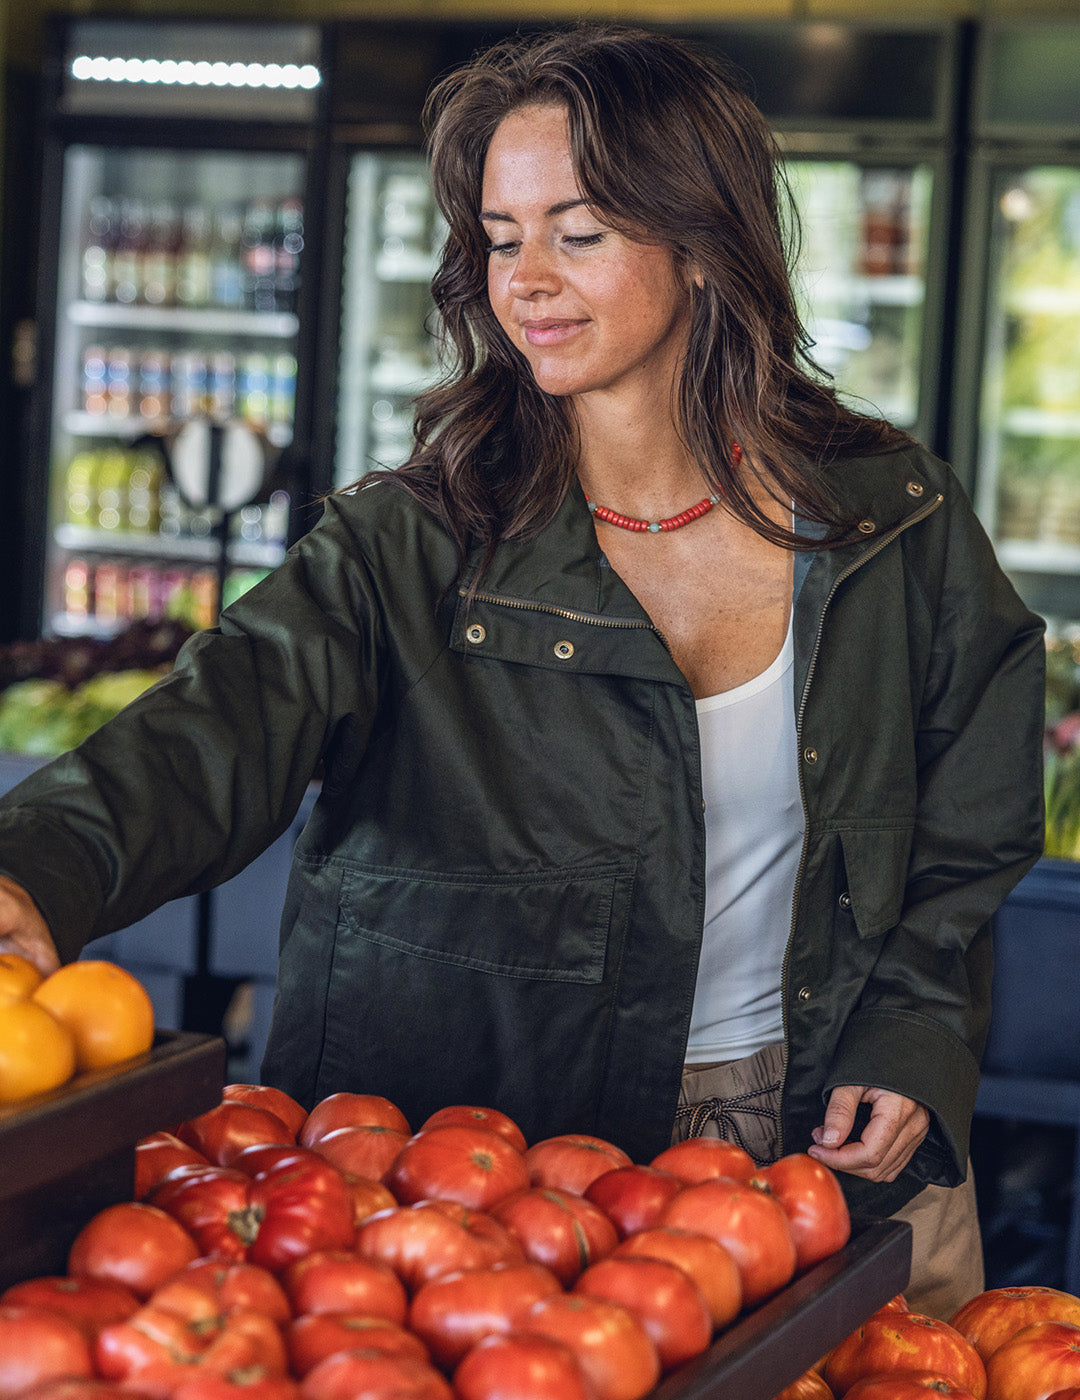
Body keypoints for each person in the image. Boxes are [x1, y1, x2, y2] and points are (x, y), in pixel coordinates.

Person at [0, 25, 1044, 1318]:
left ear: (705, 242)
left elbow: (971, 816)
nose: (527, 281)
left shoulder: (890, 517)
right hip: (496, 1170)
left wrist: (915, 1035)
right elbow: (217, 722)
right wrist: (37, 867)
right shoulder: (417, 541)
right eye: (501, 238)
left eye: (578, 232)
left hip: (828, 1148)